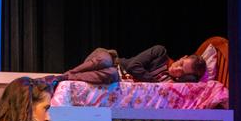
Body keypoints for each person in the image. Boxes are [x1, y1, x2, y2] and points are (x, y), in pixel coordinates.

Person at [58, 45, 206, 84]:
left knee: (112, 75)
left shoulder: (170, 84)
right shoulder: (160, 53)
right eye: (181, 63)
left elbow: (193, 85)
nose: (177, 68)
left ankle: (66, 78)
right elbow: (133, 66)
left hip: (114, 74)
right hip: (110, 59)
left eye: (182, 72)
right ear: (182, 57)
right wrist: (155, 83)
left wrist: (189, 78)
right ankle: (67, 73)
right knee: (106, 61)